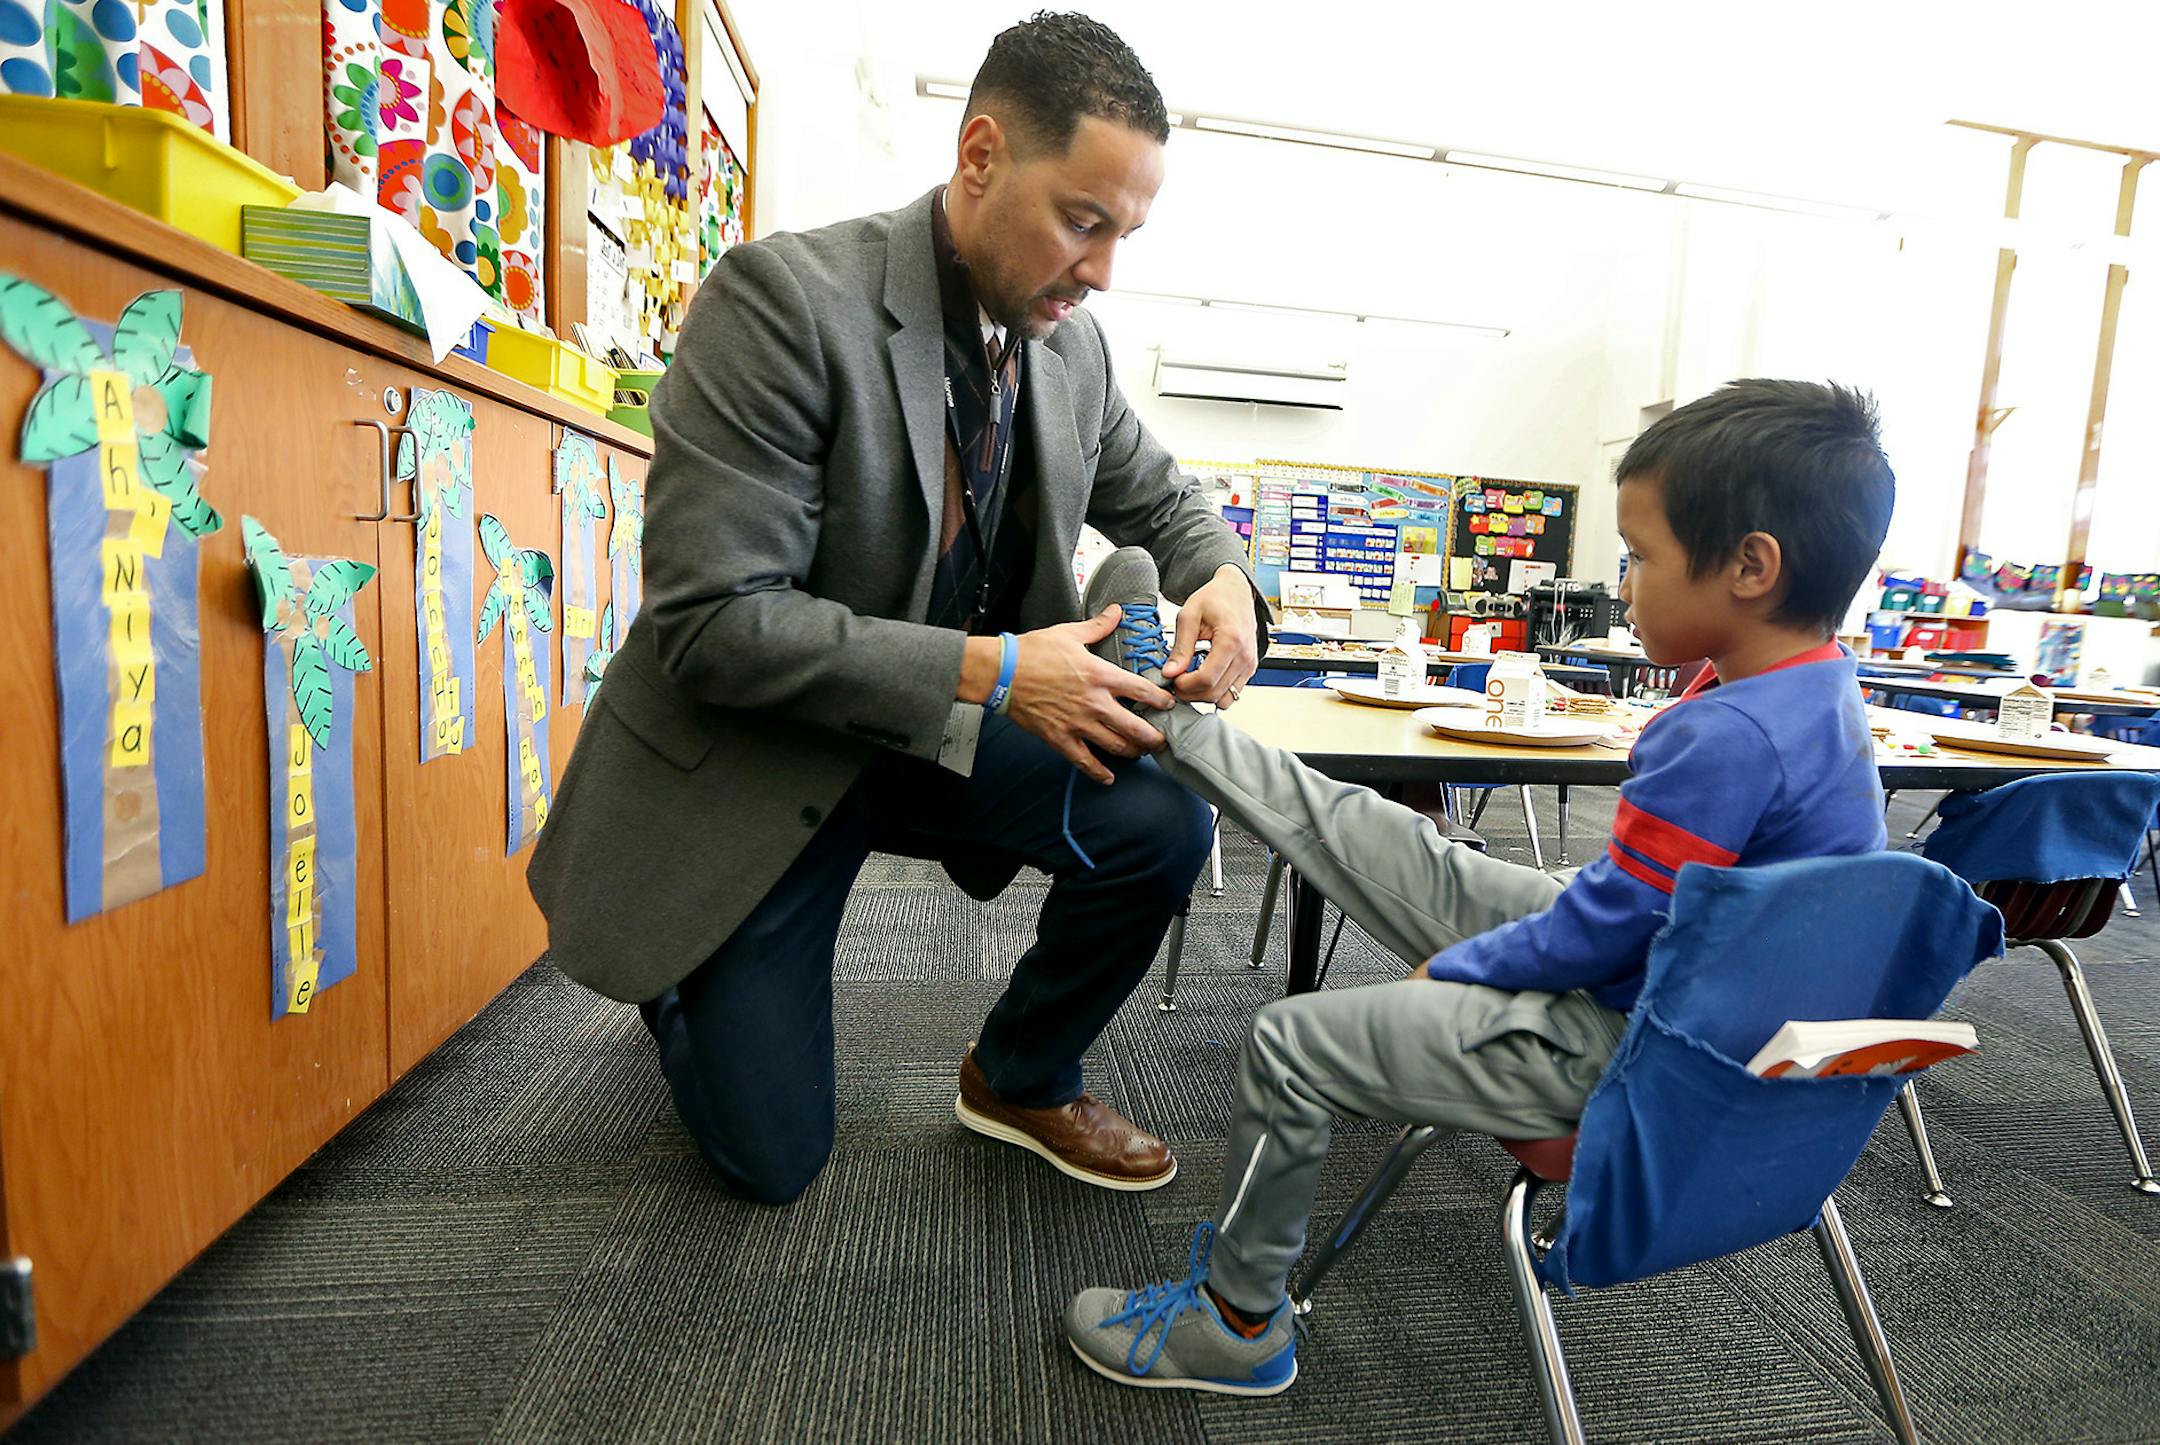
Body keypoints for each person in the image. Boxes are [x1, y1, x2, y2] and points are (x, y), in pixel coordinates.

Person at [528, 12, 1269, 1206]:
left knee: (1161, 815)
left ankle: (1021, 1073)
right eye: (1083, 221)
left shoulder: (1068, 349)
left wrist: (1227, 581)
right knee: (771, 1160)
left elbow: (1171, 503)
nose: (1103, 271)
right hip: (766, 748)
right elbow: (713, 626)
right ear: (981, 156)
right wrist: (996, 671)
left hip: (940, 731)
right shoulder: (781, 304)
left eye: (1126, 233)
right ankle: (687, 963)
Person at [1059, 379, 1898, 1395]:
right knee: (1407, 844)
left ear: (1750, 565)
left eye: (1639, 556)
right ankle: (1178, 729)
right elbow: (1631, 910)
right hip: (1677, 982)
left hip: (1642, 1048)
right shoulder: (1812, 690)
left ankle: (1236, 1320)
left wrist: (1460, 968)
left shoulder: (1728, 735)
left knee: (1292, 1042)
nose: (1623, 583)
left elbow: (1606, 931)